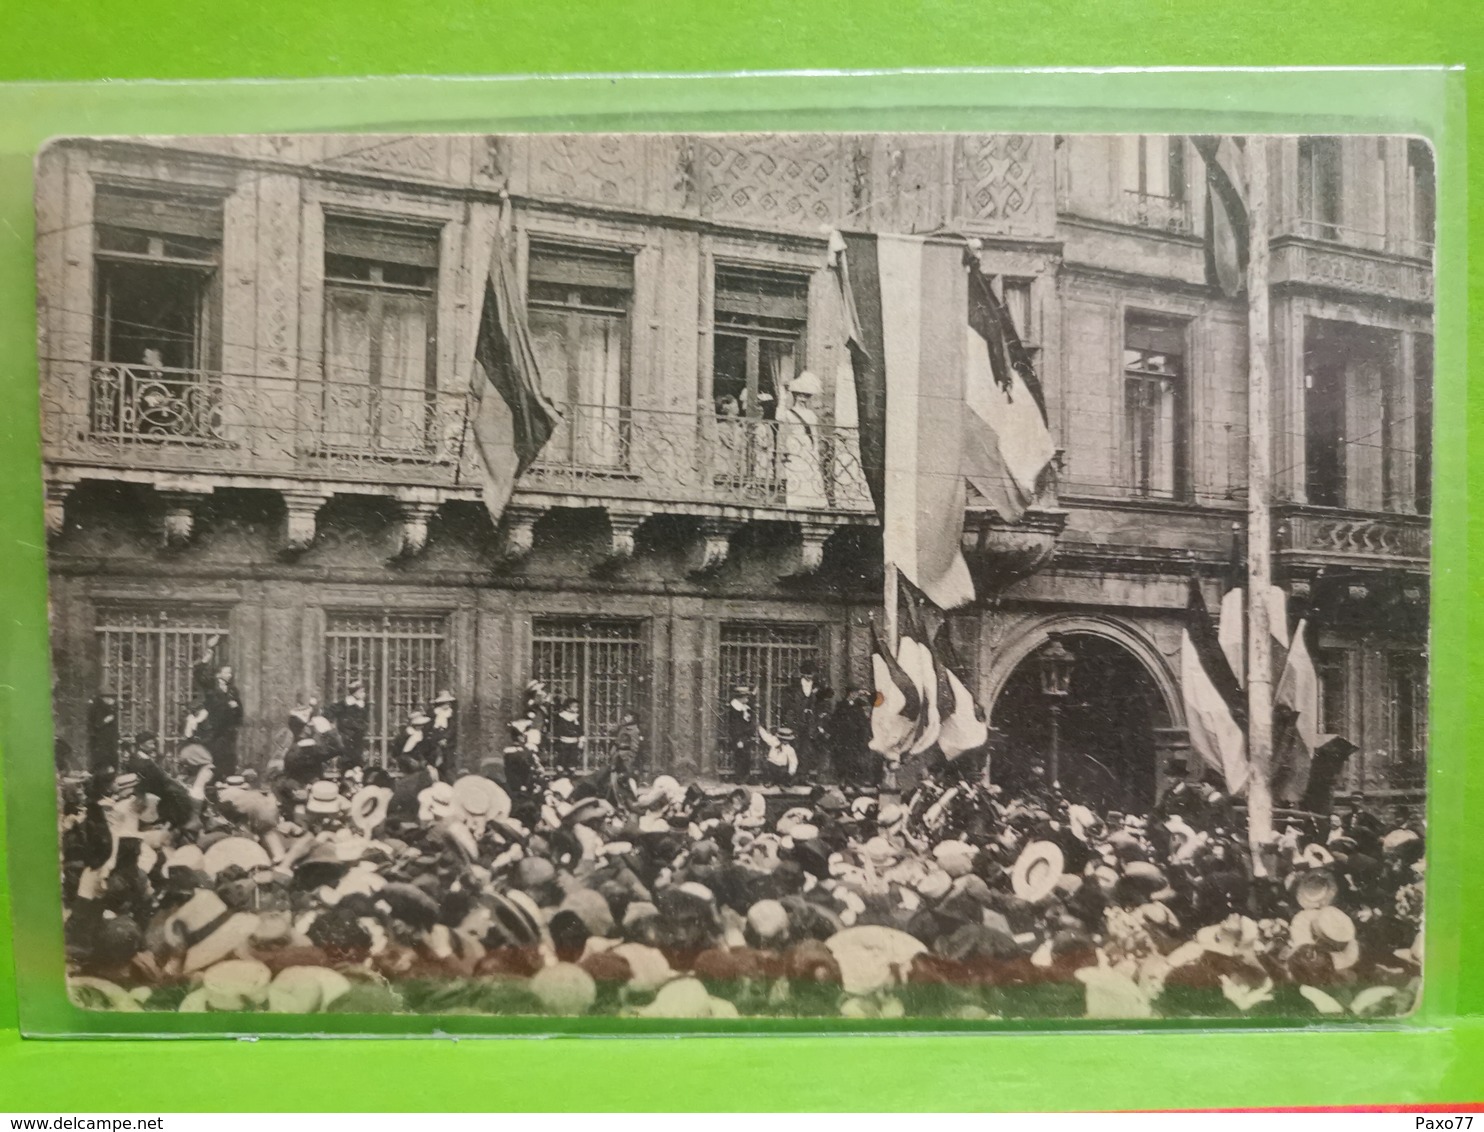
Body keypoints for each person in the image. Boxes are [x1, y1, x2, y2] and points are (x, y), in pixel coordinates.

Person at [188, 636, 243, 776]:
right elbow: (198, 673)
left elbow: (240, 711)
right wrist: (207, 655)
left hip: (227, 730)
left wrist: (235, 707)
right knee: (212, 755)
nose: (230, 675)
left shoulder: (232, 690)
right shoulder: (211, 685)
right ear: (219, 674)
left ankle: (223, 780)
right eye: (227, 672)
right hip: (212, 728)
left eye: (230, 673)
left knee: (226, 757)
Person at [777, 371, 827, 508]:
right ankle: (796, 502)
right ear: (795, 395)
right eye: (799, 395)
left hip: (808, 446)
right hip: (795, 445)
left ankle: (812, 502)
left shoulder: (811, 414)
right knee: (797, 473)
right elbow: (779, 417)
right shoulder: (788, 412)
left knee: (810, 473)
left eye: (805, 395)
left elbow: (814, 433)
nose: (802, 398)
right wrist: (783, 395)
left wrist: (815, 449)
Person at [781, 658, 827, 779]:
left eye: (811, 673)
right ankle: (791, 776)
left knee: (806, 750)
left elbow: (822, 706)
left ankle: (803, 776)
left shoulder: (818, 688)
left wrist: (819, 721)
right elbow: (787, 706)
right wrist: (790, 720)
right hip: (796, 722)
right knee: (793, 748)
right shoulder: (794, 687)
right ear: (802, 673)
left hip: (811, 723)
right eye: (807, 673)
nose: (809, 676)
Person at [829, 685, 872, 787]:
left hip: (855, 737)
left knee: (853, 758)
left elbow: (863, 722)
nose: (855, 695)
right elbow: (835, 720)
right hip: (843, 737)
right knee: (842, 758)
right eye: (854, 693)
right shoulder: (841, 706)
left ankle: (851, 780)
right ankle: (842, 780)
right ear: (849, 694)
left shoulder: (858, 707)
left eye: (856, 693)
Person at [329, 679, 370, 771]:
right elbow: (331, 711)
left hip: (358, 737)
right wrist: (331, 724)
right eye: (361, 691)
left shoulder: (363, 706)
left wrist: (364, 727)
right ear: (354, 692)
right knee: (346, 761)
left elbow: (365, 720)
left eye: (363, 691)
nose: (363, 694)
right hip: (346, 737)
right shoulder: (344, 704)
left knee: (358, 762)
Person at [723, 682, 758, 784]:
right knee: (740, 757)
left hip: (745, 736)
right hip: (739, 737)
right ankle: (739, 777)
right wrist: (738, 739)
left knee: (746, 756)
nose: (747, 699)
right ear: (740, 698)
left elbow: (750, 702)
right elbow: (735, 726)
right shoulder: (735, 709)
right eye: (745, 697)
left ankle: (746, 776)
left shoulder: (742, 706)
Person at [86, 691, 121, 776]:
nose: (110, 700)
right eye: (107, 698)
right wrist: (104, 721)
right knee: (102, 760)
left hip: (111, 740)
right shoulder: (97, 708)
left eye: (112, 698)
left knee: (111, 758)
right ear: (102, 698)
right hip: (101, 740)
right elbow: (94, 724)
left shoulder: (112, 708)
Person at [552, 697, 586, 776]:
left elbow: (580, 729)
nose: (576, 709)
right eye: (574, 706)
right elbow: (559, 728)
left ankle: (571, 768)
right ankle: (560, 768)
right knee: (563, 754)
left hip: (574, 740)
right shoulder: (562, 716)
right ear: (567, 707)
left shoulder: (577, 717)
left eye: (577, 707)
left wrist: (581, 738)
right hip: (564, 739)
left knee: (573, 755)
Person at [430, 690, 458, 772]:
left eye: (447, 703)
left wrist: (445, 738)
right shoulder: (436, 713)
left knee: (448, 761)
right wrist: (437, 738)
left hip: (448, 740)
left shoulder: (451, 714)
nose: (446, 705)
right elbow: (433, 727)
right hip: (437, 739)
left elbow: (453, 728)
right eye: (443, 703)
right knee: (437, 759)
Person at [613, 711, 644, 776]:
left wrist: (629, 758)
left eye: (628, 716)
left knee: (627, 776)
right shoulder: (624, 728)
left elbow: (634, 747)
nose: (625, 718)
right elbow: (617, 741)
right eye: (625, 716)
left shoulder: (634, 730)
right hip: (619, 756)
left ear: (633, 718)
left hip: (626, 757)